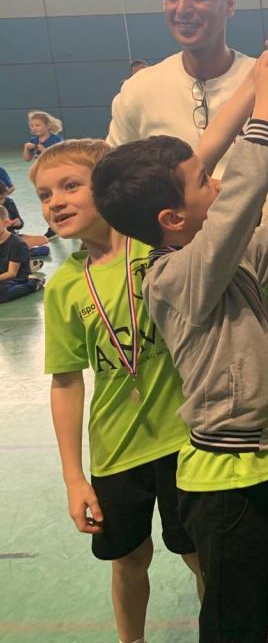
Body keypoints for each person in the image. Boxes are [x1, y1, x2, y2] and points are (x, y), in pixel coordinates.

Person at [92, 49, 268, 642]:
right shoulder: (173, 278)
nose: (215, 181)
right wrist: (264, 106)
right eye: (202, 181)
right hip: (224, 480)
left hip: (267, 458)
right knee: (232, 620)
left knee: (267, 596)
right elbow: (240, 199)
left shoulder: (225, 263)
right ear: (172, 218)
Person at [32, 140, 205, 642]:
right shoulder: (64, 285)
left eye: (70, 186)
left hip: (185, 440)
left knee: (199, 554)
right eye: (44, 194)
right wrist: (74, 478)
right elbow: (65, 381)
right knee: (128, 559)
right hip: (117, 450)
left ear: (109, 190)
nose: (55, 202)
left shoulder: (158, 248)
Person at [107, 0, 255, 176]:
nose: (182, 8)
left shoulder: (265, 81)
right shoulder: (138, 91)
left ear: (229, 4)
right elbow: (112, 178)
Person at [0, 204, 42, 303]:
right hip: (3, 275)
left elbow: (12, 273)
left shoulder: (16, 243)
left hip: (17, 278)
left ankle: (34, 283)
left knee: (2, 292)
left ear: (6, 223)